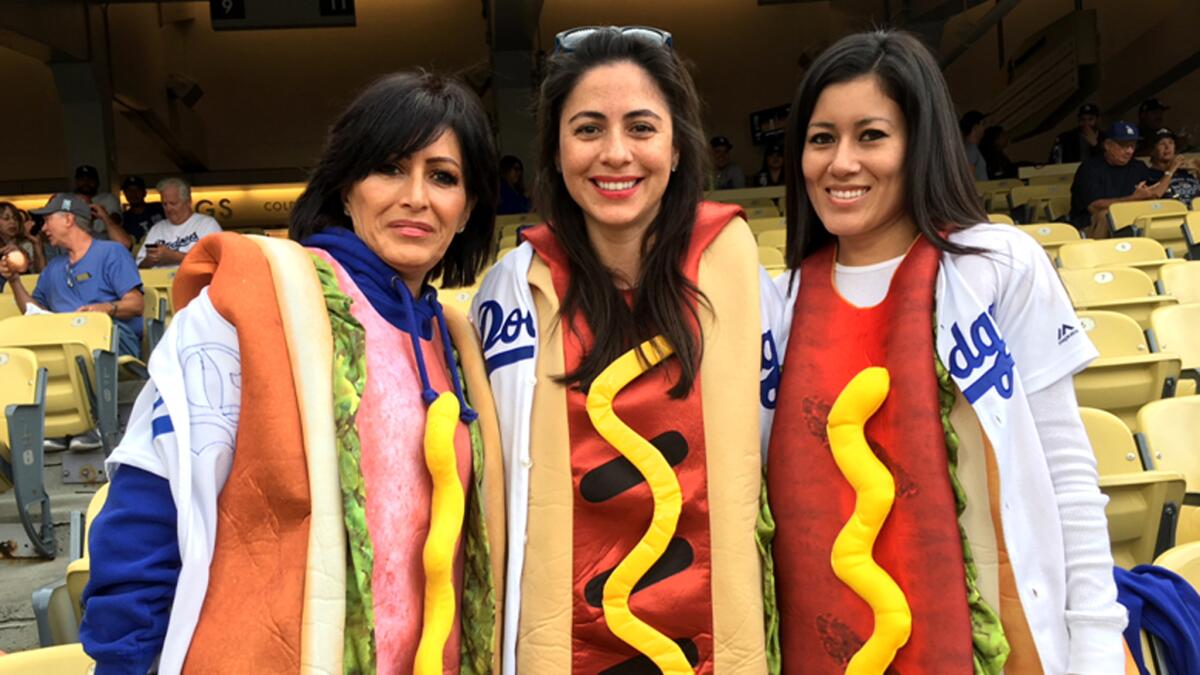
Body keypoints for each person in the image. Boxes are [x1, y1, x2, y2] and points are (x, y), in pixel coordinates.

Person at [79, 71, 506, 673]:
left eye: (443, 177)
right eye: (389, 168)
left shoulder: (456, 343)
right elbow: (149, 512)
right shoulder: (254, 301)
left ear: (466, 211)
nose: (417, 196)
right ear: (345, 187)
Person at [769, 30, 1126, 674]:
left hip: (996, 641)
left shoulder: (995, 266)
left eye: (871, 135)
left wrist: (1096, 641)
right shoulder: (775, 304)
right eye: (821, 139)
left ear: (920, 144)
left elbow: (1067, 473)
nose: (840, 162)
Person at [474, 26, 783, 673]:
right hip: (567, 642)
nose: (615, 153)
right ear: (556, 151)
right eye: (588, 129)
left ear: (675, 149)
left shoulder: (740, 276)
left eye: (641, 127)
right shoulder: (514, 287)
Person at [0, 193, 143, 359]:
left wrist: (104, 308)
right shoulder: (53, 267)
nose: (44, 229)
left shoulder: (111, 252)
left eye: (47, 221)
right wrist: (14, 280)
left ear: (68, 219)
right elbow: (34, 312)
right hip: (63, 342)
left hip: (108, 344)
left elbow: (136, 304)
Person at [1069, 121, 1174, 237]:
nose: (1129, 151)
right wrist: (1133, 198)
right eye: (1124, 145)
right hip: (1091, 226)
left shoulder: (1138, 167)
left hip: (1131, 223)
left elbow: (1155, 193)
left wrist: (1171, 171)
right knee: (1106, 216)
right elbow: (1094, 207)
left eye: (1133, 145)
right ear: (1107, 145)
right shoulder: (1089, 169)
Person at [136, 177, 222, 268]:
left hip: (196, 281)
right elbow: (139, 267)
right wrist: (150, 260)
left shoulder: (207, 224)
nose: (168, 208)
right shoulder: (156, 229)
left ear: (188, 202)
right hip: (159, 281)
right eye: (165, 204)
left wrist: (174, 257)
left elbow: (216, 260)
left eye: (173, 203)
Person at [73, 164, 131, 248]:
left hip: (103, 243)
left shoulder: (108, 198)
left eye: (90, 179)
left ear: (97, 181)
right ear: (76, 182)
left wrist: (102, 215)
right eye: (82, 179)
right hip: (75, 243)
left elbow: (116, 219)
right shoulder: (69, 200)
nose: (86, 182)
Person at [1147, 128, 1200, 206]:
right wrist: (1171, 170)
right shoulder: (1148, 175)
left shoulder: (1185, 172)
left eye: (1171, 143)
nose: (1167, 147)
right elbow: (1154, 196)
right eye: (1162, 143)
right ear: (1152, 150)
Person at [0, 201, 45, 273]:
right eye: (6, 218)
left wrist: (37, 245)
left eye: (15, 219)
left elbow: (42, 275)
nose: (12, 222)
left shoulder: (24, 246)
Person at [120, 175, 166, 242]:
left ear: (144, 192)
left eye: (137, 190)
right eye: (129, 191)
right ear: (125, 194)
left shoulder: (159, 208)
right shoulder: (124, 219)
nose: (133, 194)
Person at [959, 110, 988, 180]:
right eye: (983, 124)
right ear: (975, 127)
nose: (985, 128)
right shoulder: (971, 148)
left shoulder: (968, 147)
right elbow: (970, 179)